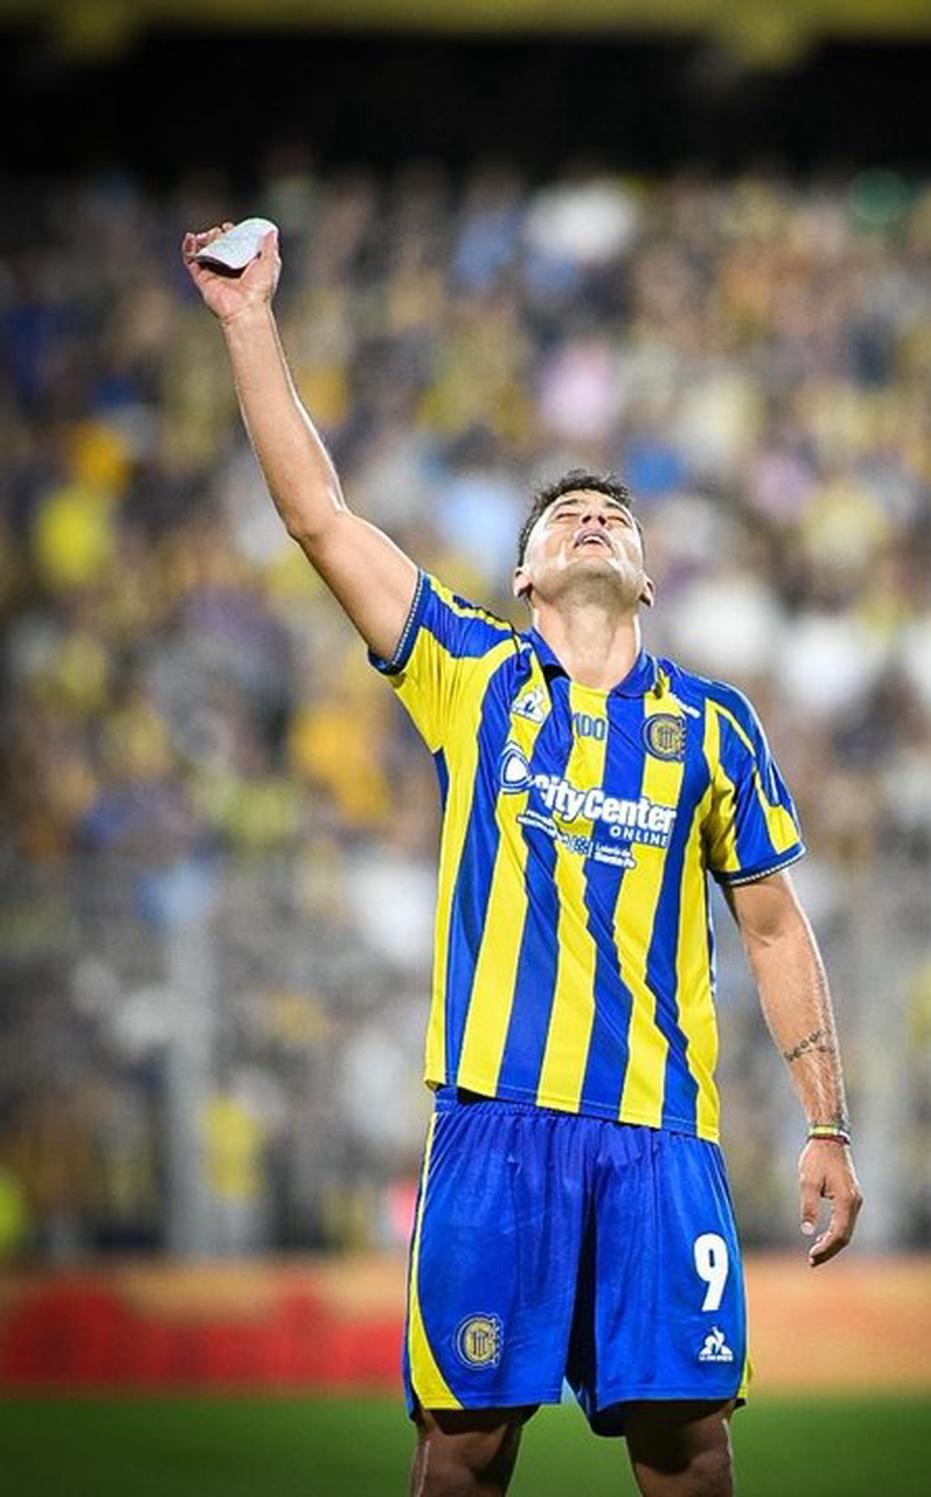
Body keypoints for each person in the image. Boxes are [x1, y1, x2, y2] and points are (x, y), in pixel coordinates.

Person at [183, 220, 863, 1497]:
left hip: (663, 1137)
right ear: (524, 577)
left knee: (691, 1451)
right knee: (464, 1448)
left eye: (613, 516)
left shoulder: (717, 725)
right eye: (565, 517)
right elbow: (319, 516)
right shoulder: (473, 675)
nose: (592, 520)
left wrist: (826, 1121)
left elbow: (775, 925)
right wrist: (249, 322)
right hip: (495, 1125)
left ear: (648, 582)